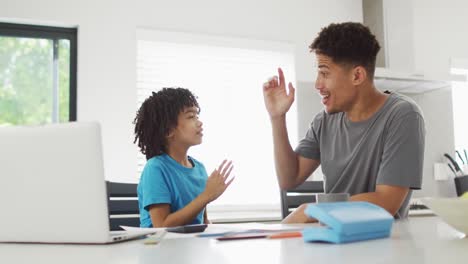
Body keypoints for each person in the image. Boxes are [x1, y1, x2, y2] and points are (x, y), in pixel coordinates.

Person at [262, 22, 425, 223]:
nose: (317, 84)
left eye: (325, 73)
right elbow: (289, 179)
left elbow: (386, 202)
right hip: (332, 241)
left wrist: (310, 210)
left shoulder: (402, 115)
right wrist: (277, 118)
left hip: (381, 244)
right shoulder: (324, 121)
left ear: (357, 75)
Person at [134, 87, 234, 227]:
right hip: (159, 247)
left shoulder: (199, 168)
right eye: (191, 117)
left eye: (197, 116)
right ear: (169, 130)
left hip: (191, 246)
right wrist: (206, 195)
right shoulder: (155, 168)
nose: (199, 122)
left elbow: (203, 222)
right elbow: (161, 225)